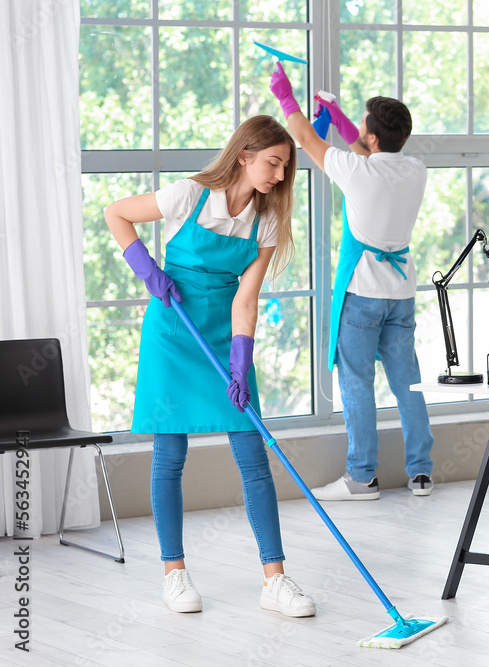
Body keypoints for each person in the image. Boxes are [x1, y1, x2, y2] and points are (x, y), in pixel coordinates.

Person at [104, 115, 316, 617]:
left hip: (222, 335)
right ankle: (174, 574)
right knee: (169, 456)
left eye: (286, 167)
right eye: (274, 163)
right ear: (244, 155)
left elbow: (247, 299)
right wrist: (148, 271)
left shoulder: (265, 220)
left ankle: (275, 580)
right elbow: (116, 213)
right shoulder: (187, 195)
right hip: (173, 332)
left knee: (253, 456)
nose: (280, 176)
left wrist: (241, 362)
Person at [269, 64, 435, 501]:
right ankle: (421, 473)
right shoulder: (415, 170)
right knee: (408, 384)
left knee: (357, 383)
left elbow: (306, 140)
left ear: (374, 137)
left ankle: (361, 478)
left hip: (362, 295)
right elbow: (363, 149)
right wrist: (340, 115)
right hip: (400, 295)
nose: (357, 130)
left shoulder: (358, 172)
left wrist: (286, 96)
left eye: (363, 126)